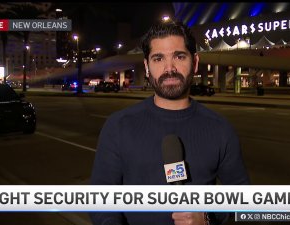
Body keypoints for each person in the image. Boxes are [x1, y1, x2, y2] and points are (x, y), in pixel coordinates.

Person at [90, 20, 249, 225]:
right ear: (147, 66)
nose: (169, 68)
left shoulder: (220, 129)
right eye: (158, 58)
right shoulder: (118, 126)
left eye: (179, 56)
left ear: (195, 62)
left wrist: (208, 218)